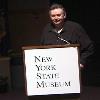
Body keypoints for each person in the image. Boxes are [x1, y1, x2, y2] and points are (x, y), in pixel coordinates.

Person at [41, 3, 94, 69]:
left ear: (64, 15)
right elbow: (43, 49)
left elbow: (89, 48)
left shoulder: (75, 28)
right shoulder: (46, 29)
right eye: (53, 16)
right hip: (53, 70)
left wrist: (81, 63)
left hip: (72, 68)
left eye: (58, 15)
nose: (56, 18)